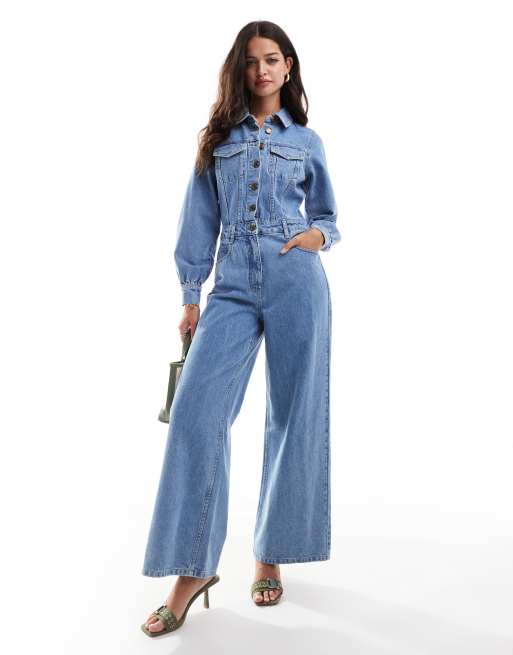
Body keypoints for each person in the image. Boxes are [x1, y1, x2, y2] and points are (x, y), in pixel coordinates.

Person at [141, 19, 341, 636]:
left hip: (295, 281)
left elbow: (329, 214)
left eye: (272, 59)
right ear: (240, 68)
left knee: (293, 415)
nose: (262, 70)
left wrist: (316, 236)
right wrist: (190, 295)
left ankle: (268, 554)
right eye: (252, 61)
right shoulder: (217, 140)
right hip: (230, 284)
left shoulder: (305, 140)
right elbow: (197, 221)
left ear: (288, 66)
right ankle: (192, 570)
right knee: (196, 416)